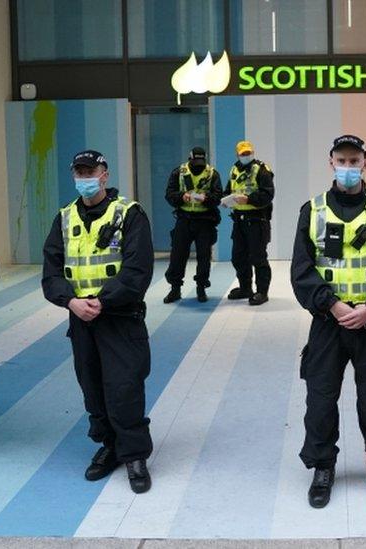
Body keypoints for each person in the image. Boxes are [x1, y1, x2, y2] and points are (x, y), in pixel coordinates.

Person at [291, 135, 366, 508]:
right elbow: (301, 271)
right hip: (329, 323)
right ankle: (323, 466)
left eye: (354, 160)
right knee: (321, 397)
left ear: (365, 163)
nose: (347, 166)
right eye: (341, 160)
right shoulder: (312, 210)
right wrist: (332, 306)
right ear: (331, 162)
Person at [42, 150, 155, 494]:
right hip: (81, 318)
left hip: (119, 317)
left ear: (105, 174)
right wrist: (71, 301)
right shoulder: (63, 218)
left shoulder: (129, 214)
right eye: (79, 171)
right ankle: (109, 445)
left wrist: (103, 302)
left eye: (90, 171)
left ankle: (134, 454)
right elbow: (51, 272)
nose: (84, 177)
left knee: (124, 387)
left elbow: (138, 270)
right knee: (92, 387)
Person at [163, 147, 222, 304]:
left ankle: (201, 288)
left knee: (204, 256)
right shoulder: (179, 172)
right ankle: (175, 289)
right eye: (195, 162)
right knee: (177, 255)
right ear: (190, 159)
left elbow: (218, 197)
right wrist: (182, 197)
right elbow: (169, 194)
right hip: (184, 219)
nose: (198, 165)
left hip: (205, 220)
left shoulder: (212, 173)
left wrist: (206, 198)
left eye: (201, 162)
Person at [224, 140, 275, 306]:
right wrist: (226, 200)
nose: (246, 156)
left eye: (248, 153)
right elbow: (227, 191)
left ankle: (262, 292)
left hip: (257, 220)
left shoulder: (261, 169)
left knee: (258, 257)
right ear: (237, 155)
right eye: (243, 153)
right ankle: (245, 288)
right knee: (238, 257)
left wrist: (248, 199)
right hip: (239, 220)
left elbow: (268, 195)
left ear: (252, 153)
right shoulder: (234, 170)